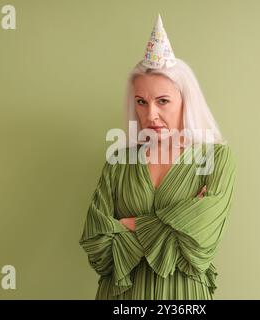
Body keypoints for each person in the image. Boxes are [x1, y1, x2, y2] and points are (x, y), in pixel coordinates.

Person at [79, 14, 236, 300]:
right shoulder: (119, 162)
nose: (150, 114)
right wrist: (176, 220)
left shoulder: (216, 158)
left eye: (162, 101)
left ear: (186, 102)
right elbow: (98, 247)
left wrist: (129, 225)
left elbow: (200, 244)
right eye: (141, 102)